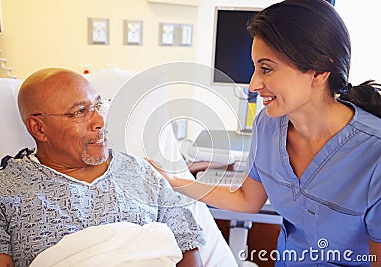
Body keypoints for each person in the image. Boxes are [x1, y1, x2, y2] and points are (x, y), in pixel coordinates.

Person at [149, 0, 381, 266]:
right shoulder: (269, 126)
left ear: (318, 71)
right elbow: (248, 199)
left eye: (267, 69)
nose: (254, 83)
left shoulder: (374, 156)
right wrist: (174, 181)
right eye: (255, 68)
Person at [0, 68, 205, 267]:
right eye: (80, 112)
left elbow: (186, 245)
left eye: (98, 106)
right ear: (39, 128)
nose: (100, 121)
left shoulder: (142, 173)